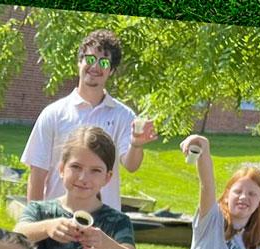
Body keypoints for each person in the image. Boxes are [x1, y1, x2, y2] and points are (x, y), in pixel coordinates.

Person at [20, 29, 157, 207]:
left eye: (104, 62)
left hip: (103, 219)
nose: (95, 67)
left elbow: (131, 165)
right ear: (79, 62)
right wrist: (34, 218)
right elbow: (37, 174)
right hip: (59, 217)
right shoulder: (53, 114)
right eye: (90, 59)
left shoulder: (123, 115)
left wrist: (136, 144)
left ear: (111, 70)